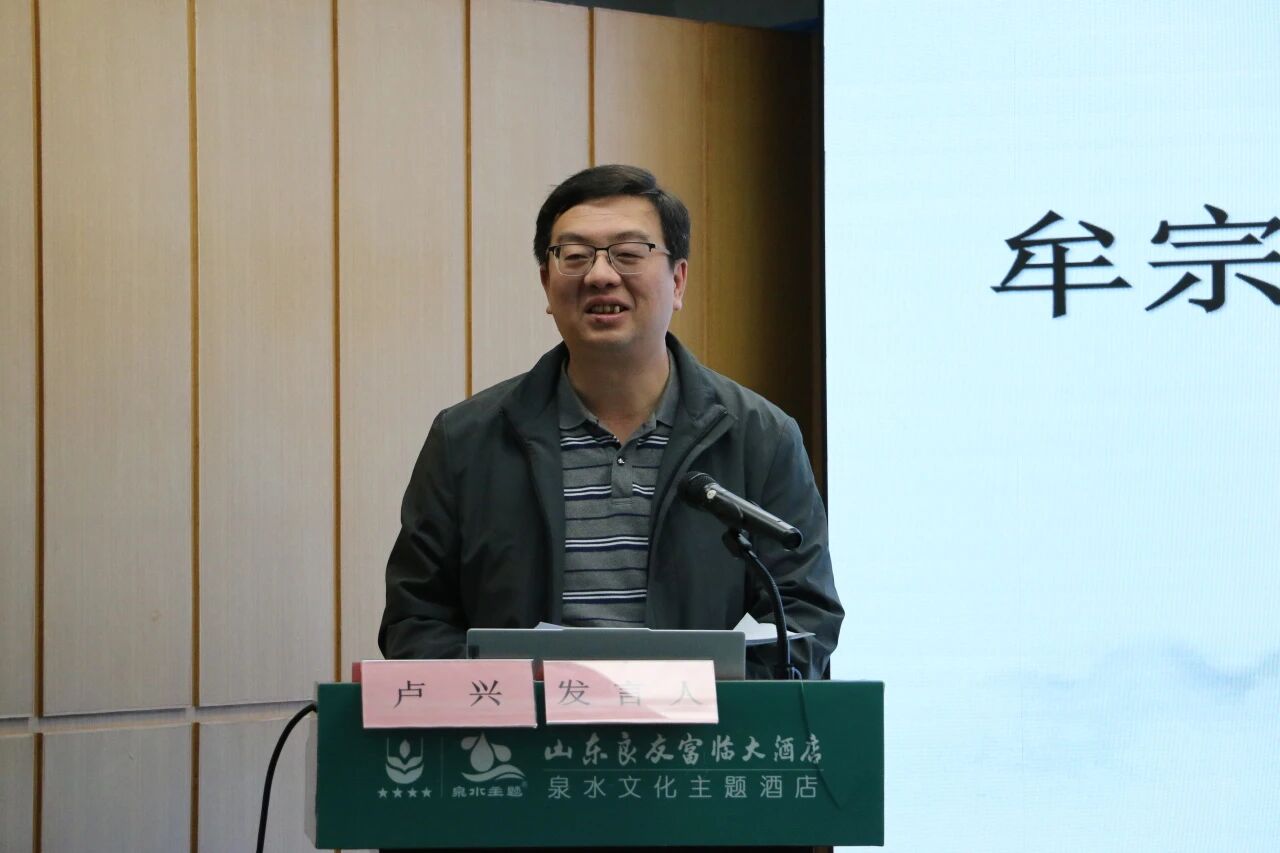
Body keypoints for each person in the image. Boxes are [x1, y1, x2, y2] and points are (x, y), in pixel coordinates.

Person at [379, 164, 842, 678]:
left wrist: (698, 701)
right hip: (521, 726)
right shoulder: (466, 440)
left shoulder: (761, 438)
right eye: (575, 256)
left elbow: (804, 617)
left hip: (703, 726)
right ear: (546, 283)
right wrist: (511, 695)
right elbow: (415, 621)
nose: (600, 275)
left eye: (629, 253)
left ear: (678, 280)